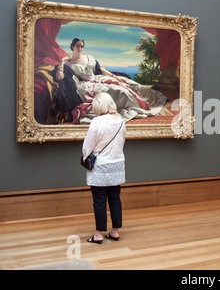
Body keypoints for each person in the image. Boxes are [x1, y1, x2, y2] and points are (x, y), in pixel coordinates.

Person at [55, 37, 166, 124]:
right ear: (72, 47)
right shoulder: (68, 63)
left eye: (82, 46)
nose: (80, 48)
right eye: (77, 46)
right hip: (87, 86)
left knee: (127, 85)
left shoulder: (89, 58)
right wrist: (61, 63)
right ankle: (136, 107)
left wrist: (114, 77)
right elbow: (59, 78)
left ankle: (142, 104)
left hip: (98, 79)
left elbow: (101, 70)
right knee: (118, 91)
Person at [82, 92, 126, 244]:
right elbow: (121, 144)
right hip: (117, 164)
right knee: (115, 199)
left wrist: (85, 156)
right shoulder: (121, 121)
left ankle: (99, 234)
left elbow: (87, 147)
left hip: (100, 166)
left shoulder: (97, 122)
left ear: (99, 105)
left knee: (99, 200)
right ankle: (114, 232)